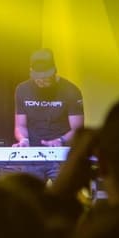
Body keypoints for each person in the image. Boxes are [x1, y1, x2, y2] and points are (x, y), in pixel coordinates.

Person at [13, 48, 84, 182]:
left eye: (45, 78)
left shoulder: (71, 90)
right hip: (32, 155)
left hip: (61, 154)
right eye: (37, 78)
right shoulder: (22, 89)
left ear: (54, 71)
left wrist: (60, 140)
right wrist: (23, 140)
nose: (41, 81)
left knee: (64, 192)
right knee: (29, 193)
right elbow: (20, 125)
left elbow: (78, 129)